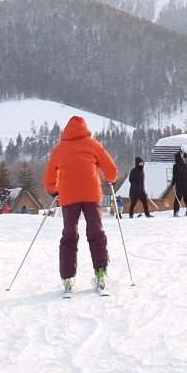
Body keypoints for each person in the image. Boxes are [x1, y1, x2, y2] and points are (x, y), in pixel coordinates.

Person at [44, 115, 119, 294]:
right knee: (96, 231)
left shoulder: (60, 149)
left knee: (69, 234)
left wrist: (54, 190)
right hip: (91, 194)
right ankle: (101, 272)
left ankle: (68, 278)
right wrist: (111, 179)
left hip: (69, 197)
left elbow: (48, 177)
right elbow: (112, 171)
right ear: (85, 128)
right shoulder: (93, 145)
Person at [171, 148, 187, 216]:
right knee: (185, 198)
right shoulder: (184, 165)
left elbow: (175, 175)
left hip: (181, 184)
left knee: (180, 199)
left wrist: (173, 182)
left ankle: (178, 211)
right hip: (184, 184)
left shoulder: (178, 166)